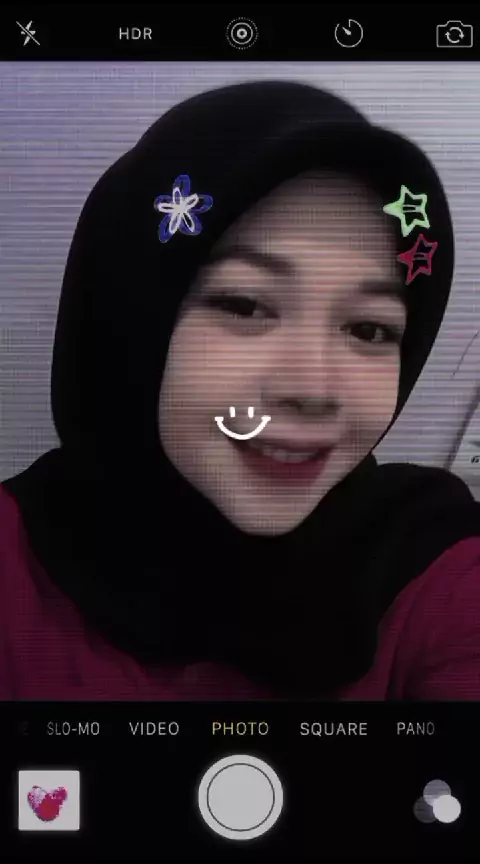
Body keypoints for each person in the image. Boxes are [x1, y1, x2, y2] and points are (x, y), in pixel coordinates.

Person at [0, 81, 479, 701]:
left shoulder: (430, 562)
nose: (313, 390)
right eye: (244, 304)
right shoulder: (15, 572)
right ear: (130, 321)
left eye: (369, 329)